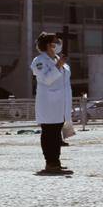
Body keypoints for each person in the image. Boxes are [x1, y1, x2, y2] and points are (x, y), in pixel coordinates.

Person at [31, 32, 73, 175]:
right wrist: (58, 66)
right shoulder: (39, 60)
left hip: (60, 104)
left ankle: (56, 162)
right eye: (56, 42)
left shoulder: (57, 59)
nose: (58, 44)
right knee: (49, 133)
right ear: (49, 45)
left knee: (56, 134)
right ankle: (50, 163)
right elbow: (46, 79)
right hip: (48, 104)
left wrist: (59, 64)